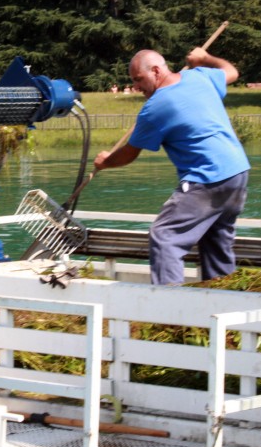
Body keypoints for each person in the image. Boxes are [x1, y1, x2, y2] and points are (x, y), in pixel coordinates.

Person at [94, 47, 250, 285]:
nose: (136, 87)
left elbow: (129, 154)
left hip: (207, 177)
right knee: (215, 242)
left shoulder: (155, 107)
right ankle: (224, 303)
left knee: (165, 236)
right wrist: (205, 59)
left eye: (138, 80)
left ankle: (170, 310)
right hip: (237, 172)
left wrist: (106, 161)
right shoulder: (200, 75)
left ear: (156, 71)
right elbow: (231, 71)